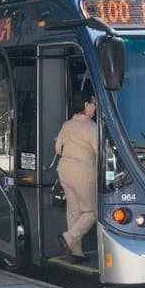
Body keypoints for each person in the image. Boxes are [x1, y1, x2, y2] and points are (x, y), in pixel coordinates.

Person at [54, 91, 99, 264]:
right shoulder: (91, 127)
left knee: (73, 211)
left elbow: (58, 149)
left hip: (64, 171)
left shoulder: (67, 125)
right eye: (93, 103)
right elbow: (99, 152)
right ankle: (68, 238)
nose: (95, 107)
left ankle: (76, 252)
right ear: (86, 105)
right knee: (91, 212)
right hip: (83, 172)